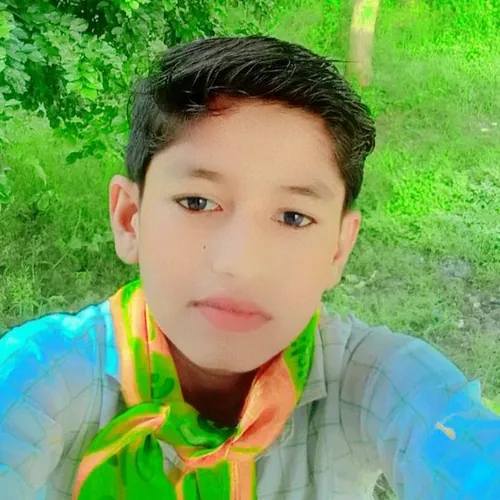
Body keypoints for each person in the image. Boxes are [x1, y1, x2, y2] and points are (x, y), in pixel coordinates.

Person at [0, 34, 498, 500]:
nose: (239, 264)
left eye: (294, 217)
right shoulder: (44, 375)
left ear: (338, 249)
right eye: (197, 202)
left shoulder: (375, 381)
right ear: (131, 218)